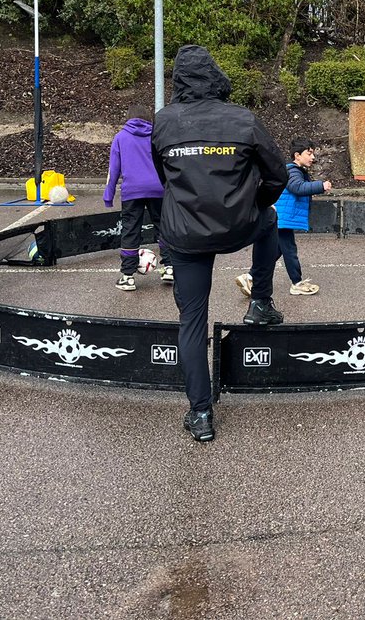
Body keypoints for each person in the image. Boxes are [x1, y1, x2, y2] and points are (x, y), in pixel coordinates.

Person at [151, 45, 288, 443]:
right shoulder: (243, 120)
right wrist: (251, 205)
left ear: (178, 80)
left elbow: (162, 174)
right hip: (238, 225)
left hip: (186, 235)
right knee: (273, 220)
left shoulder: (164, 122)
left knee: (191, 321)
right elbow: (277, 176)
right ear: (215, 76)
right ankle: (260, 301)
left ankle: (200, 414)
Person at [236, 138, 332, 298]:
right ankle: (297, 283)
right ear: (297, 155)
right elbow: (297, 187)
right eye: (309, 153)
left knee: (276, 250)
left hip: (281, 218)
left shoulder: (294, 170)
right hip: (282, 219)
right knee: (289, 250)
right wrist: (320, 186)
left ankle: (250, 276)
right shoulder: (292, 171)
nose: (312, 157)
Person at [104, 104, 175, 291]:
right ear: (149, 119)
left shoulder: (120, 137)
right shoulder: (157, 137)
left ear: (128, 118)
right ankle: (170, 268)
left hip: (132, 191)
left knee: (130, 230)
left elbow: (114, 170)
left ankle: (128, 277)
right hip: (158, 189)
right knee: (163, 226)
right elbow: (168, 163)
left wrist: (108, 196)